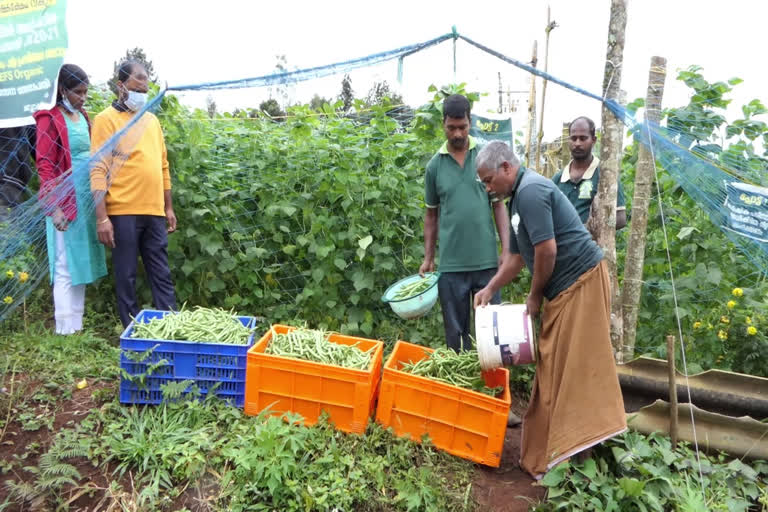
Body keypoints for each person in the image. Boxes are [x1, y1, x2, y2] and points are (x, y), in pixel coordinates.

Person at [474, 140, 626, 480]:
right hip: (563, 290)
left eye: (488, 180)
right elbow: (515, 257)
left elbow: (547, 251)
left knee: (575, 374)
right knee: (552, 367)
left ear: (506, 169)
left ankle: (577, 461)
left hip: (580, 283)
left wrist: (534, 295)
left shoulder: (530, 192)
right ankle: (551, 458)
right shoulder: (517, 199)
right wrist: (490, 288)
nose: (487, 188)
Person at [419, 94, 510, 353]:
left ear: (471, 122)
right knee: (456, 336)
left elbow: (498, 205)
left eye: (463, 127)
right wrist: (428, 258)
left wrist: (505, 249)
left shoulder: (484, 156)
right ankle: (459, 389)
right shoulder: (434, 167)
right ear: (443, 124)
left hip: (487, 264)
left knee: (491, 337)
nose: (458, 133)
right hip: (451, 266)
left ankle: (488, 386)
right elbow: (431, 215)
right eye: (452, 128)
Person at [90, 60, 177, 327]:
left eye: (146, 84)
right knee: (126, 274)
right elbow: (97, 169)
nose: (143, 88)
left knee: (160, 271)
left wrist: (168, 207)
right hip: (122, 210)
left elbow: (163, 165)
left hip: (153, 211)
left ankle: (170, 326)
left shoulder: (151, 120)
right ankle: (132, 331)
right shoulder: (106, 120)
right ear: (121, 86)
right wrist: (102, 218)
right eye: (137, 82)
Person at [34, 64, 107, 334]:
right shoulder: (48, 119)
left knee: (80, 261)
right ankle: (64, 329)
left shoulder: (83, 116)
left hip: (86, 197)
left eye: (86, 92)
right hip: (64, 199)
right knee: (64, 262)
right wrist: (53, 207)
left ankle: (76, 326)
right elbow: (44, 165)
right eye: (78, 92)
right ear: (62, 90)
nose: (83, 97)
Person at [551, 116, 626, 235]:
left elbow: (621, 218)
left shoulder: (605, 176)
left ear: (593, 140)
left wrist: (590, 229)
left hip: (594, 249)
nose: (577, 143)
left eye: (583, 138)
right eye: (573, 138)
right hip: (563, 250)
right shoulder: (558, 180)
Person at [0, 126, 36, 221]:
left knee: (10, 230)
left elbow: (39, 143)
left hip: (12, 183)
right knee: (9, 230)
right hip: (8, 181)